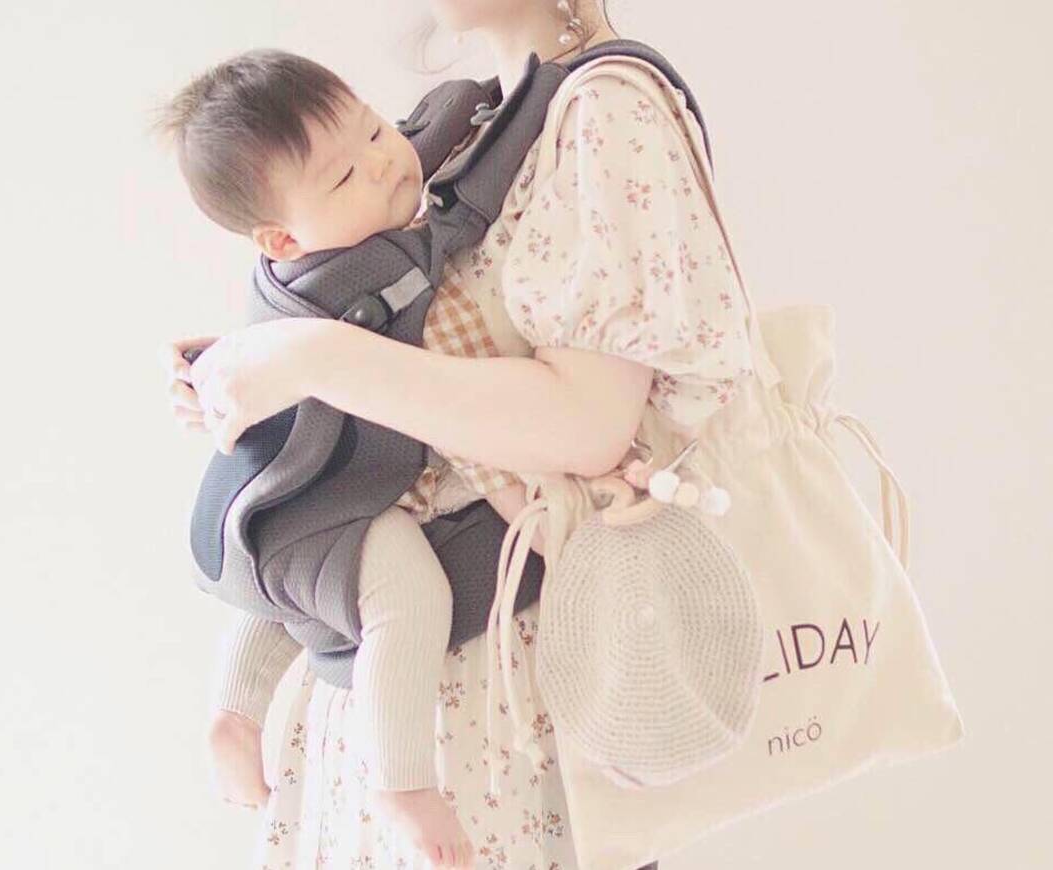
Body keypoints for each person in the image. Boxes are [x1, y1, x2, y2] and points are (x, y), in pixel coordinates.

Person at [162, 1, 748, 866]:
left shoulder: (599, 109)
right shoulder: (479, 119)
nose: (378, 160)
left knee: (340, 562)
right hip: (419, 701)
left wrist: (309, 358)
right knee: (298, 550)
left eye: (371, 133)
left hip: (492, 701)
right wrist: (245, 372)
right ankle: (238, 709)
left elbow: (586, 426)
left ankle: (340, 757)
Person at [153, 48, 551, 869]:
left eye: (372, 129)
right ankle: (400, 783)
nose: (379, 165)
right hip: (346, 498)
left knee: (301, 584)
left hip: (323, 496)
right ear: (282, 238)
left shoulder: (366, 221)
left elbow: (453, 125)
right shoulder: (332, 275)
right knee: (402, 593)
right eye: (341, 177)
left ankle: (235, 713)